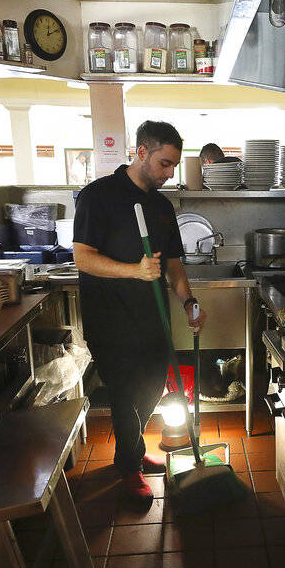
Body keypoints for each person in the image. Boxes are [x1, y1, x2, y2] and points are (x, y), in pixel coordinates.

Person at [73, 121, 207, 504]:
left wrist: (188, 301)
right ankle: (129, 468)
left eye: (174, 166)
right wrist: (134, 270)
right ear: (142, 152)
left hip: (153, 322)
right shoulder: (97, 196)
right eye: (164, 164)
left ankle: (129, 453)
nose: (169, 174)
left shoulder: (162, 207)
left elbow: (174, 264)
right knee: (124, 396)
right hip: (110, 322)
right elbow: (82, 257)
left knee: (148, 393)